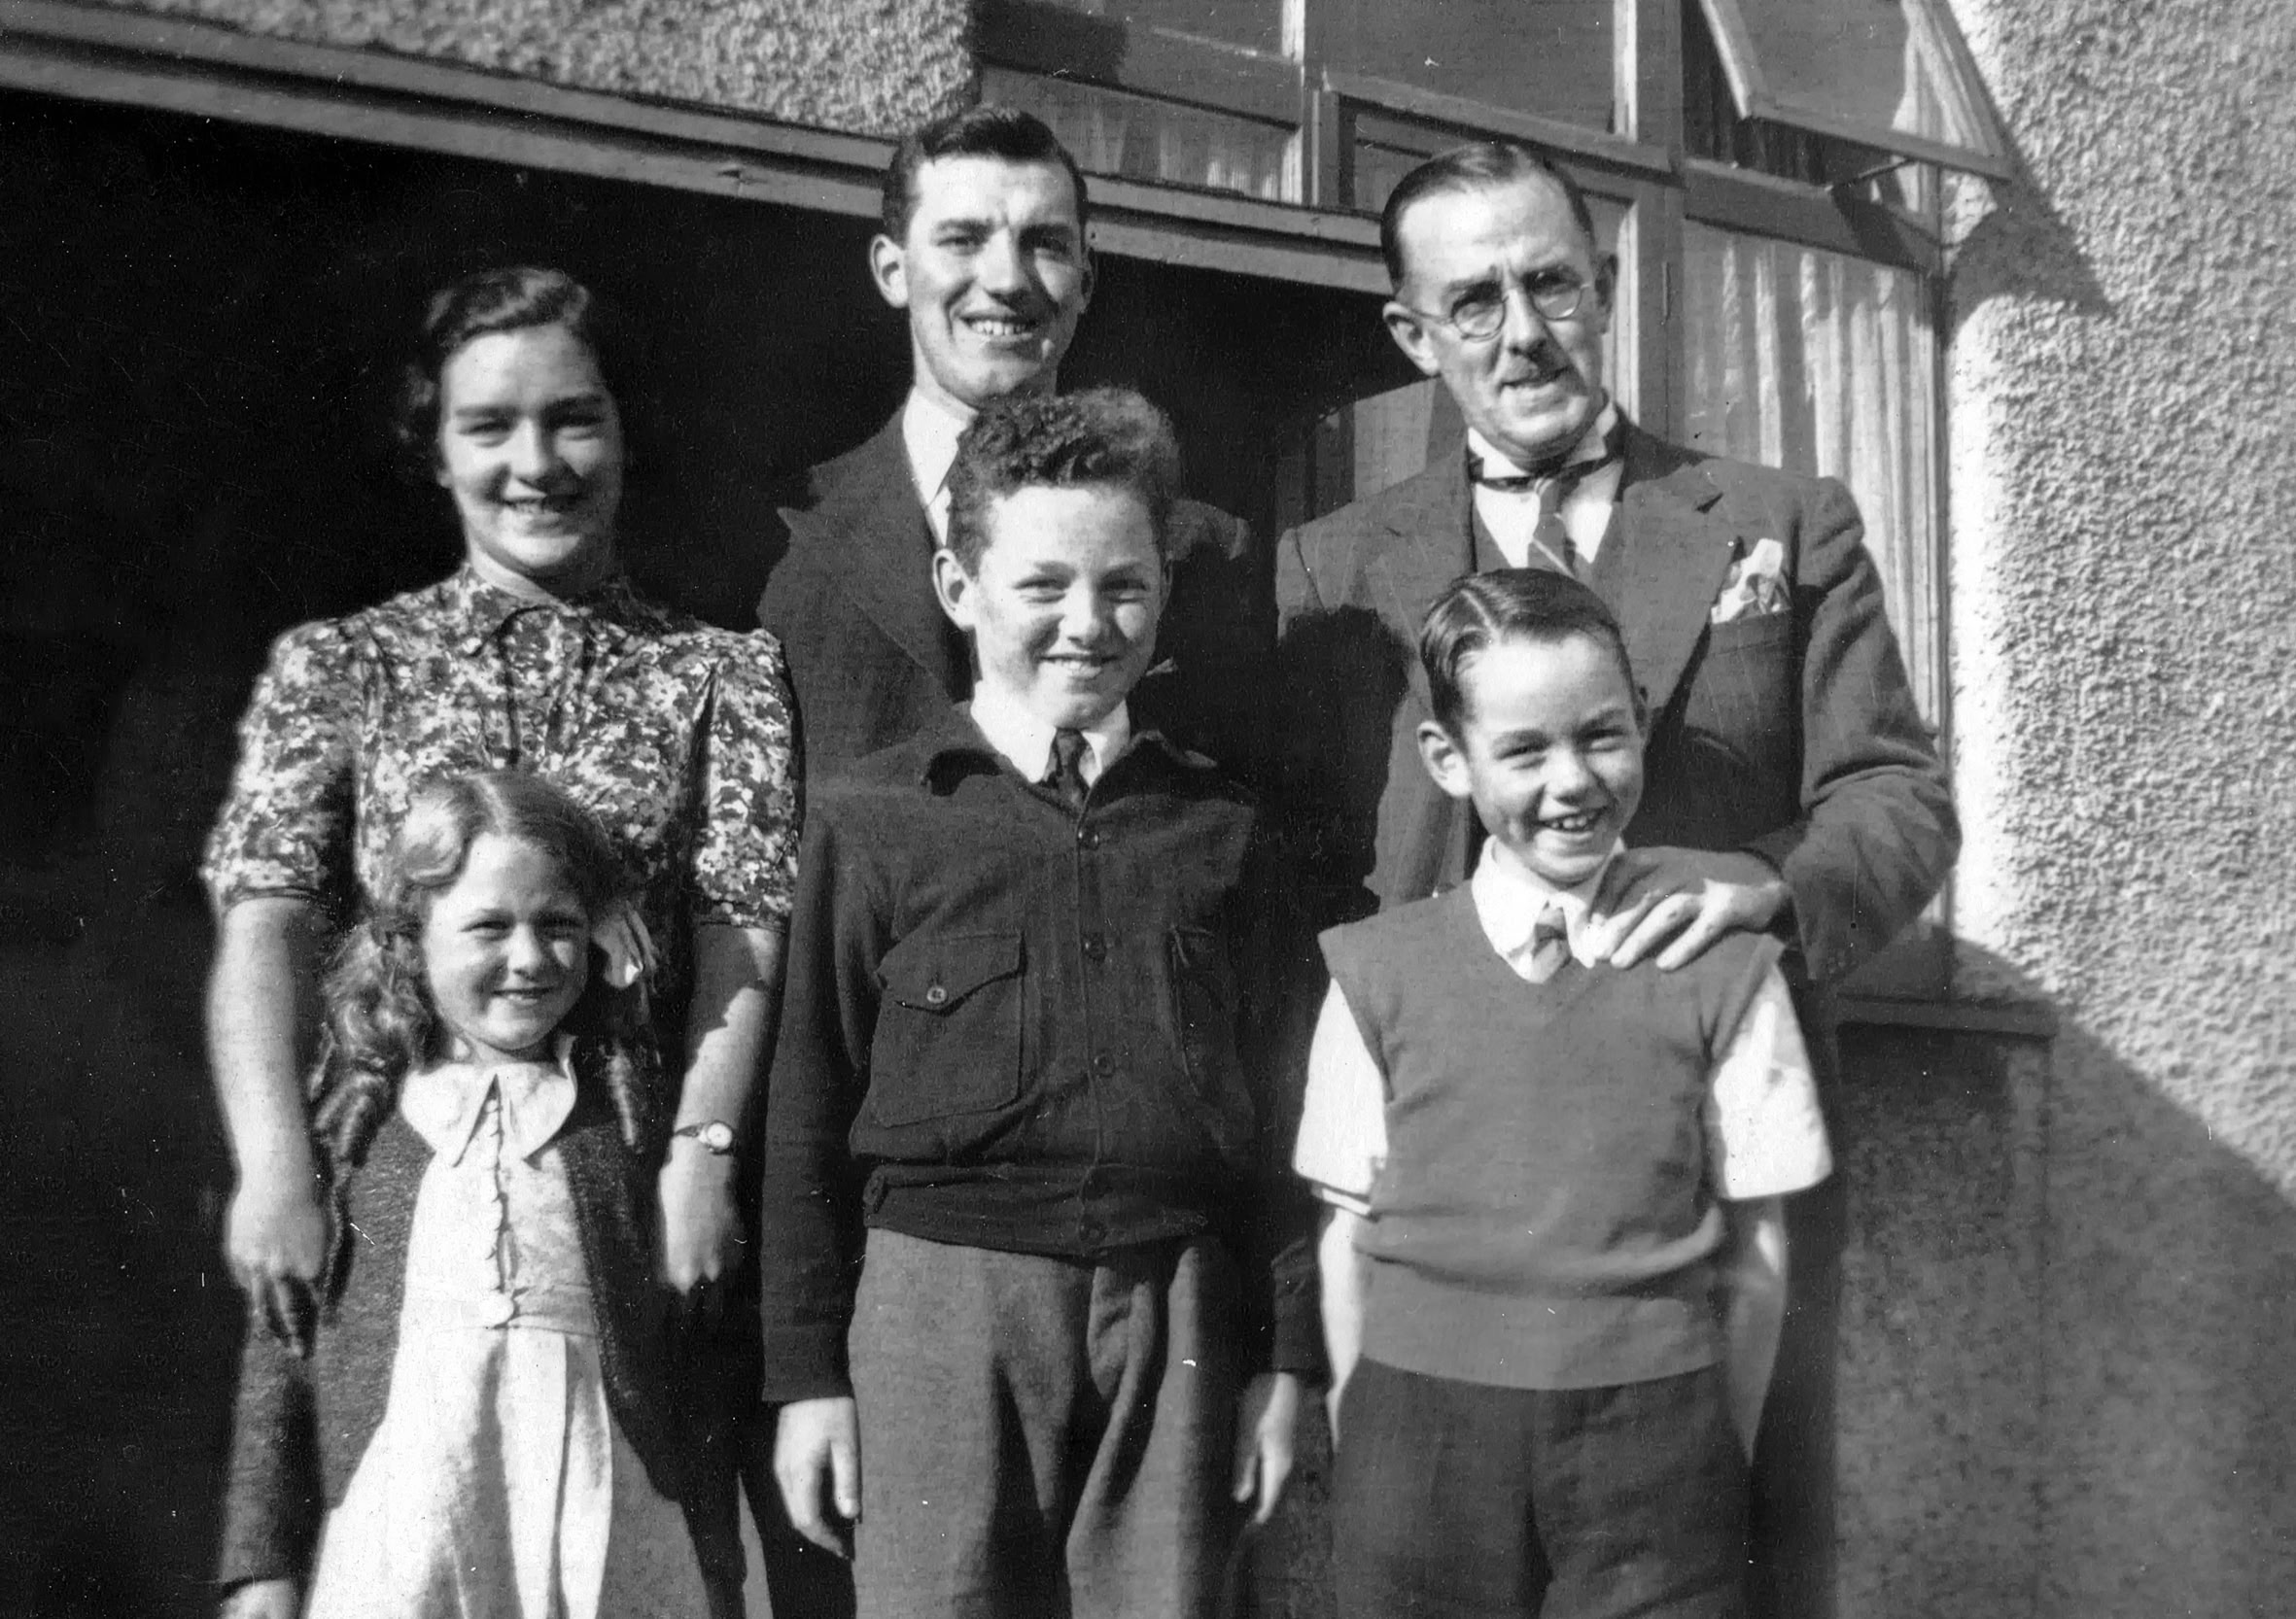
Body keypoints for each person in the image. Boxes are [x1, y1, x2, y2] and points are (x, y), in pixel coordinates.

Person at [1272, 141, 1958, 1611]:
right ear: (1411, 333)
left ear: (1604, 286)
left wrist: (1767, 888)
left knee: (1730, 1561)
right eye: (1473, 302)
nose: (1522, 333)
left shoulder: (1780, 520)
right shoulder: (1330, 567)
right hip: (1449, 1201)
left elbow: (1896, 794)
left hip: (1703, 1170)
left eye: (1552, 285)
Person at [200, 266, 798, 1596]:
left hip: (624, 1184)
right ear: (436, 447)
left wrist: (701, 1148)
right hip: (396, 1173)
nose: (537, 463)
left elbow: (741, 933)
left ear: (623, 429)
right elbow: (265, 923)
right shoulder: (344, 664)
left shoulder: (717, 673)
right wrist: (277, 1162)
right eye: (490, 426)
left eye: (573, 418)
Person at [758, 388, 1318, 1618]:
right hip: (938, 1310)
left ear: (1162, 592)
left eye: (1123, 586)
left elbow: (1285, 1125)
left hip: (1174, 1306)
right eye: (1042, 585)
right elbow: (804, 1108)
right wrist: (806, 1378)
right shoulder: (875, 820)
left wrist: (1284, 1359)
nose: (1086, 623)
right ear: (959, 589)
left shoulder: (1222, 829)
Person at [1296, 570, 1832, 1619]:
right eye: (1525, 750)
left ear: (1642, 721)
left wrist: (1704, 1449)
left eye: (1601, 736)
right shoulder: (1377, 970)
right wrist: (1372, 1431)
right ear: (1448, 759)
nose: (1572, 780)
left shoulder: (1725, 969)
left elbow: (1759, 1258)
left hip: (1653, 1440)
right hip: (1422, 1435)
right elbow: (1344, 1239)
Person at [217, 773, 741, 1618]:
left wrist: (716, 1563)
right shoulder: (361, 1134)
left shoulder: (627, 1127)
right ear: (411, 939)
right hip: (408, 1531)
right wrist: (261, 1563)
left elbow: (692, 1367)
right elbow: (284, 1348)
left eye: (559, 926)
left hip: (608, 1522)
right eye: (489, 927)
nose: (528, 959)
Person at [757, 102, 1267, 784]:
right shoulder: (777, 543)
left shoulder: (1203, 554)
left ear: (1086, 279)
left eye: (1045, 244)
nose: (1006, 280)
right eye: (962, 240)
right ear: (893, 270)